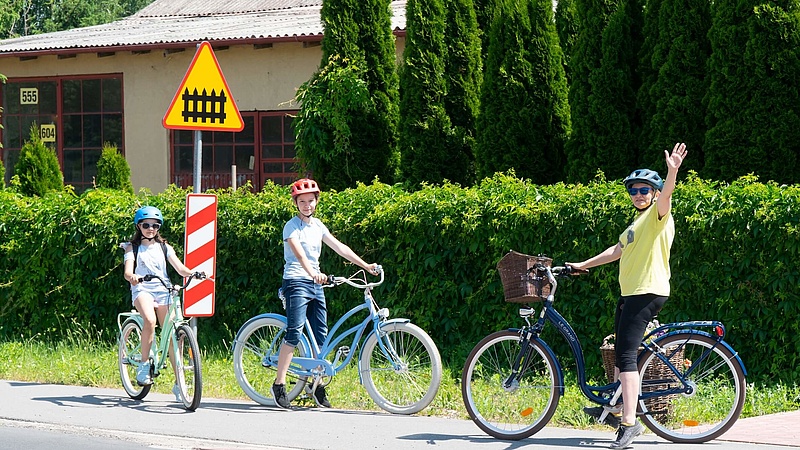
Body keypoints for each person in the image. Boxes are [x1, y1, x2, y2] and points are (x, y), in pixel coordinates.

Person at [567, 143, 687, 449]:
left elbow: (669, 195)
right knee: (621, 352)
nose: (638, 195)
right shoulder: (636, 224)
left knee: (626, 358)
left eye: (645, 190)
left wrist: (672, 170)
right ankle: (617, 406)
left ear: (656, 193)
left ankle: (630, 424)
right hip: (630, 294)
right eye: (633, 190)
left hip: (646, 292)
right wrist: (582, 265)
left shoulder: (658, 215)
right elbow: (617, 251)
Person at [272, 178, 379, 409]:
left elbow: (341, 247)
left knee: (321, 336)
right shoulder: (290, 226)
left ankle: (316, 385)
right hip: (296, 281)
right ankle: (279, 384)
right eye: (302, 201)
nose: (307, 205)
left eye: (311, 201)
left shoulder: (318, 226)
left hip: (315, 283)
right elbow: (299, 255)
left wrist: (365, 266)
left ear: (316, 201)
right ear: (296, 203)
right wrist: (313, 273)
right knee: (295, 331)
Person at [121, 206, 195, 400]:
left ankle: (179, 384)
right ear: (139, 226)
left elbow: (180, 268)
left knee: (173, 336)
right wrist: (133, 277)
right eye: (146, 225)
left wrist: (195, 273)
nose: (151, 229)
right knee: (150, 320)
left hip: (164, 289)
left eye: (155, 225)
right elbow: (127, 272)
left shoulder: (164, 247)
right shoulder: (132, 247)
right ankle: (144, 365)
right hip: (142, 289)